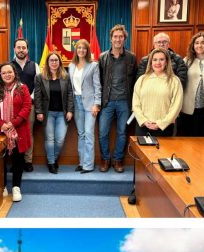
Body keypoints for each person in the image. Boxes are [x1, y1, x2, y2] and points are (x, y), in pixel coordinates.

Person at [0, 62, 32, 202]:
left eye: (10, 72)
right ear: (0, 75)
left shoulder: (22, 88)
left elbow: (27, 106)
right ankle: (3, 186)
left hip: (19, 130)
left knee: (18, 159)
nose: (7, 75)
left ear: (14, 73)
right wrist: (2, 124)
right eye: (4, 72)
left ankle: (16, 187)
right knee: (1, 161)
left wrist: (13, 123)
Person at [98, 24, 137, 173]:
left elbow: (135, 81)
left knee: (122, 132)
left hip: (124, 102)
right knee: (102, 132)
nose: (118, 39)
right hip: (107, 101)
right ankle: (105, 159)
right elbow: (99, 80)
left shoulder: (131, 57)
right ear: (111, 39)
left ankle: (118, 160)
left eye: (121, 36)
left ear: (124, 39)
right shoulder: (103, 57)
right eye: (115, 36)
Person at [34, 52, 73, 174]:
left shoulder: (65, 76)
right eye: (51, 60)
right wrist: (39, 111)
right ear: (47, 62)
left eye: (56, 60)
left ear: (59, 62)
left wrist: (70, 110)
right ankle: (51, 162)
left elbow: (70, 95)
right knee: (49, 139)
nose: (54, 62)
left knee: (60, 139)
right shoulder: (40, 77)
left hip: (62, 113)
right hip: (48, 113)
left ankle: (53, 158)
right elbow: (37, 96)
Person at [132, 48, 184, 137]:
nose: (158, 63)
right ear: (151, 62)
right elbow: (135, 104)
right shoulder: (142, 79)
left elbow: (176, 106)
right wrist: (144, 121)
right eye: (155, 59)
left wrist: (161, 123)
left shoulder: (174, 81)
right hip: (143, 127)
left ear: (167, 62)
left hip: (164, 128)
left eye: (161, 59)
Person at [68, 39, 101, 173]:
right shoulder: (71, 66)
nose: (81, 50)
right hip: (76, 102)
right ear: (76, 50)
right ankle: (82, 162)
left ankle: (88, 165)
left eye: (84, 48)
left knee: (88, 133)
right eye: (79, 48)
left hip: (90, 104)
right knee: (81, 133)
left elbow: (97, 85)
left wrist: (97, 104)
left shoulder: (93, 65)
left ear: (87, 51)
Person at [11, 39, 41, 172]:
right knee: (13, 133)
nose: (21, 50)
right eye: (19, 47)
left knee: (28, 133)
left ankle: (28, 161)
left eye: (24, 47)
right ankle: (15, 161)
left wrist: (29, 98)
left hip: (30, 105)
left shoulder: (34, 65)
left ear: (27, 50)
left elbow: (38, 85)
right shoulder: (8, 66)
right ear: (14, 49)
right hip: (12, 106)